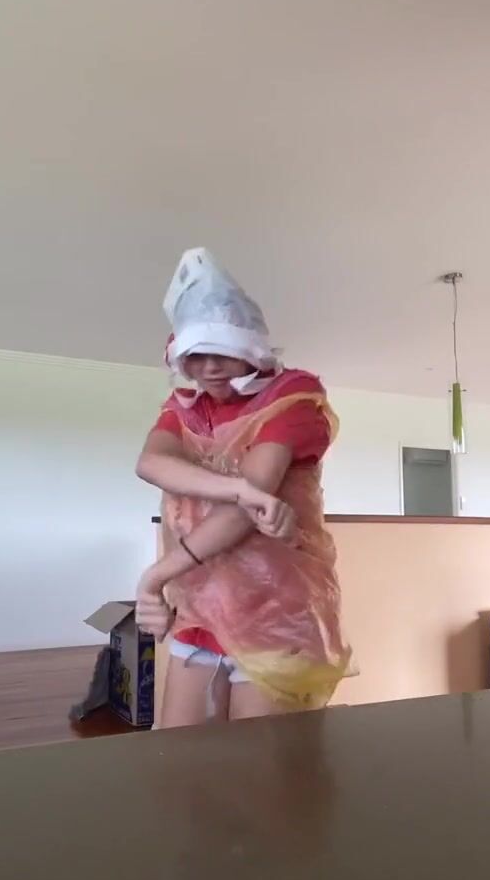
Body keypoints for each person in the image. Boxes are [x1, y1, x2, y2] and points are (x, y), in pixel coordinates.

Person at [135, 248, 351, 728]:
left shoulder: (292, 399)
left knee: (260, 767)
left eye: (222, 352)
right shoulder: (186, 406)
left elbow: (246, 508)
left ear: (251, 347)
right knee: (183, 758)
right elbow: (152, 463)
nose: (210, 368)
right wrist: (239, 491)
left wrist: (155, 577)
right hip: (201, 611)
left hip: (275, 614)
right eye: (196, 356)